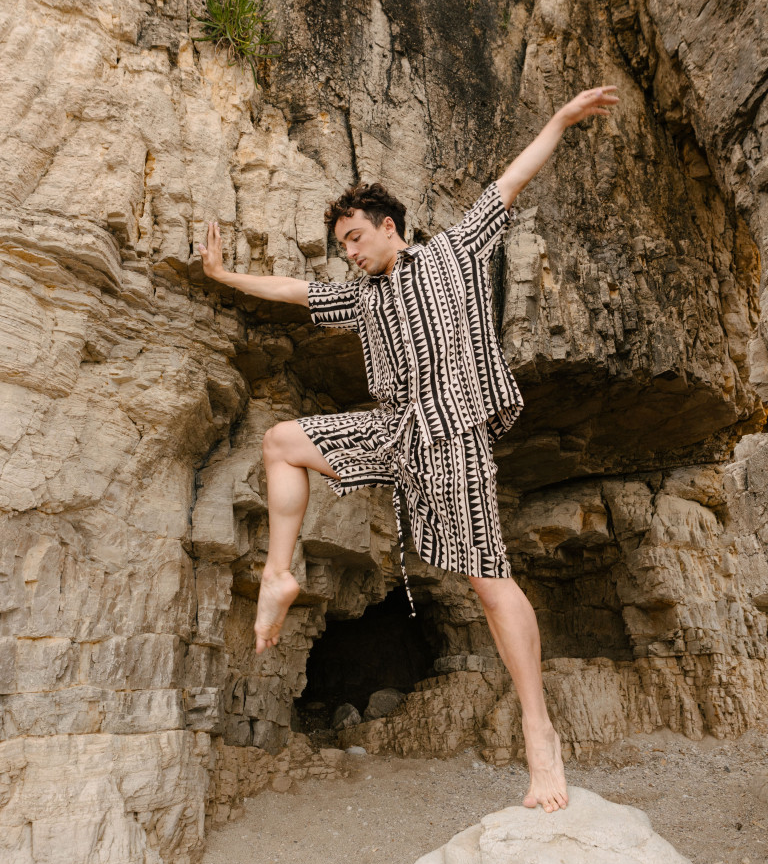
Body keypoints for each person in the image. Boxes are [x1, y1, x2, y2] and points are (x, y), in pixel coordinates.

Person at [199, 85, 620, 813]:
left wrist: (558, 119)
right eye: (342, 247)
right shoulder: (362, 298)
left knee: (490, 584)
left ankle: (538, 734)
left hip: (453, 438)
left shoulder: (452, 256)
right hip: (395, 433)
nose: (349, 255)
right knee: (282, 442)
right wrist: (222, 275)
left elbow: (511, 181)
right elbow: (296, 290)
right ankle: (278, 574)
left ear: (390, 227)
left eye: (356, 240)